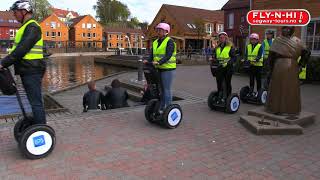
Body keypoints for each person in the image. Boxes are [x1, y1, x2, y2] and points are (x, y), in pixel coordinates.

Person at [0, 1, 47, 125]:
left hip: (32, 70)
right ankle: (37, 127)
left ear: (24, 11)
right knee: (34, 102)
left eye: (15, 13)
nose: (14, 16)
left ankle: (41, 132)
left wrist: (3, 63)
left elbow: (22, 49)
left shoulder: (32, 27)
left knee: (36, 103)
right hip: (28, 69)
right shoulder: (26, 27)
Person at [266, 26, 310, 115]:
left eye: (288, 29)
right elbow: (271, 56)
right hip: (278, 66)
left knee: (290, 89)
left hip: (292, 67)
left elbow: (307, 52)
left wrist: (301, 65)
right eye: (284, 29)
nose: (285, 30)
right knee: (277, 87)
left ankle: (290, 109)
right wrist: (271, 68)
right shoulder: (277, 40)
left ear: (291, 30)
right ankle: (274, 108)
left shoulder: (298, 41)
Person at [144, 22, 177, 113]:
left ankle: (168, 108)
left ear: (166, 31)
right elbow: (152, 55)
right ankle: (162, 106)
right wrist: (148, 61)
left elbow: (168, 55)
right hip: (158, 69)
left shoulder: (170, 41)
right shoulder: (155, 42)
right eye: (157, 30)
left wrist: (159, 62)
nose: (158, 32)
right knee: (160, 89)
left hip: (168, 69)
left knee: (167, 89)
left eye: (160, 30)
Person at [211, 32, 236, 102]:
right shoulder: (217, 47)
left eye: (223, 38)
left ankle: (228, 96)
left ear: (226, 38)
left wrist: (228, 63)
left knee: (227, 83)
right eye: (220, 38)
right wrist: (213, 59)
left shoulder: (230, 46)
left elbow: (234, 58)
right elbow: (215, 57)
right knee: (219, 82)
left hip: (228, 68)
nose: (221, 39)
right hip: (219, 68)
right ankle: (220, 95)